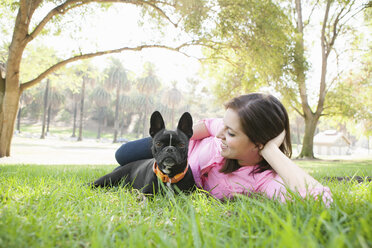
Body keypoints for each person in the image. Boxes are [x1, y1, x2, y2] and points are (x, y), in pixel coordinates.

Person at [115, 93, 332, 205]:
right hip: (174, 148)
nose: (221, 134)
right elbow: (210, 125)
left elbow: (321, 201)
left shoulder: (264, 180)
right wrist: (179, 140)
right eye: (225, 125)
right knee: (123, 155)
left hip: (183, 173)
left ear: (259, 144)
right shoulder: (227, 129)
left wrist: (272, 151)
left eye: (231, 133)